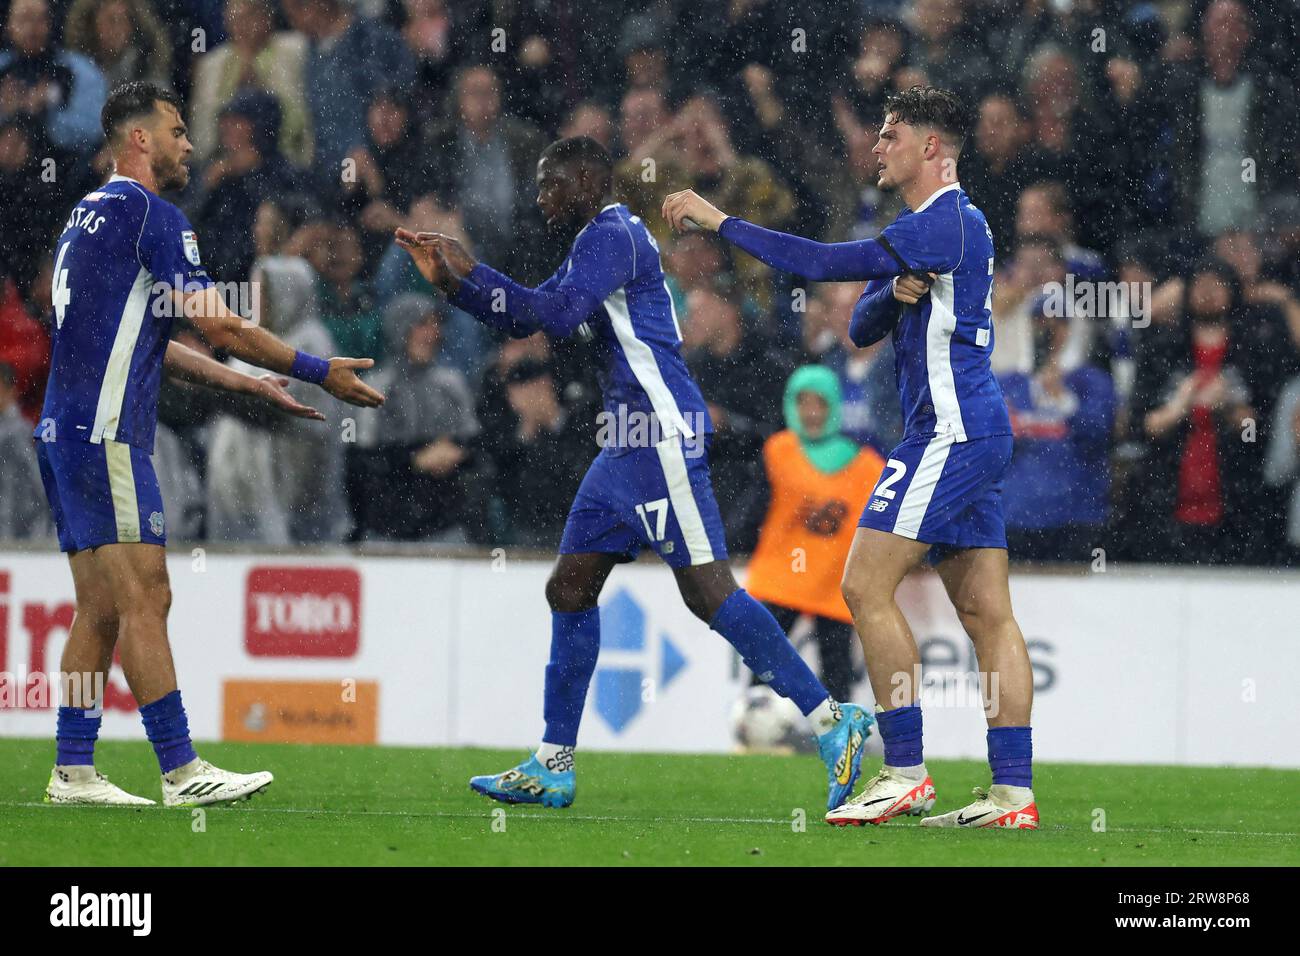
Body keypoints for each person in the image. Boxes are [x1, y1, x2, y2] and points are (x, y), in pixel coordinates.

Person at [395, 136, 873, 812]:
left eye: (548, 182)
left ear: (587, 179)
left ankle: (833, 720)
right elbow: (531, 315)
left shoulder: (614, 236)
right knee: (570, 587)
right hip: (624, 444)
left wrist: (472, 269)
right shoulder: (595, 241)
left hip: (659, 435)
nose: (540, 197)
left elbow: (554, 317)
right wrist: (454, 282)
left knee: (708, 593)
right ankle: (553, 764)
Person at [663, 86, 1039, 830]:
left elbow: (824, 262)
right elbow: (864, 324)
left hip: (949, 431)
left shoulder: (947, 220)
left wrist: (720, 220)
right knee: (986, 612)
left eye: (892, 135)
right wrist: (897, 292)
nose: (877, 146)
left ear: (932, 147)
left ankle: (905, 773)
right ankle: (1012, 794)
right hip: (969, 428)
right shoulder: (934, 229)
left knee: (863, 586)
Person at [35, 81, 383, 808]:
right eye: (176, 130)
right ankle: (182, 770)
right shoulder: (153, 216)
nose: (189, 144)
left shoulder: (85, 217)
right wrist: (318, 371)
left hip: (64, 432)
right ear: (140, 141)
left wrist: (243, 384)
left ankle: (72, 771)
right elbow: (220, 323)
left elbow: (145, 343)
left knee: (98, 607)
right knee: (147, 595)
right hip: (106, 436)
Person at [742, 366, 885, 702]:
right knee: (764, 666)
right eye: (803, 403)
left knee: (836, 675)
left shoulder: (868, 467)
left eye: (820, 403)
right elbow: (754, 510)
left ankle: (841, 743)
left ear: (834, 406)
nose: (811, 413)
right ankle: (756, 734)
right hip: (782, 580)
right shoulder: (778, 450)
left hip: (833, 584)